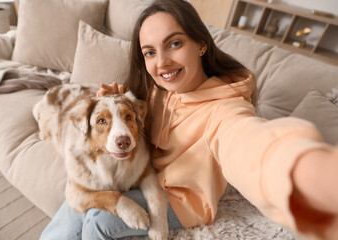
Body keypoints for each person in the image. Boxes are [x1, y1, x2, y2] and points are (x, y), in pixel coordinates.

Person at [41, 0, 338, 239]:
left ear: (201, 44)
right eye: (150, 52)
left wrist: (300, 171)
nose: (162, 63)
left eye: (174, 44)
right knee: (78, 201)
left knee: (99, 219)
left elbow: (249, 143)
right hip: (145, 179)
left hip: (182, 200)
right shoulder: (157, 90)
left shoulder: (225, 108)